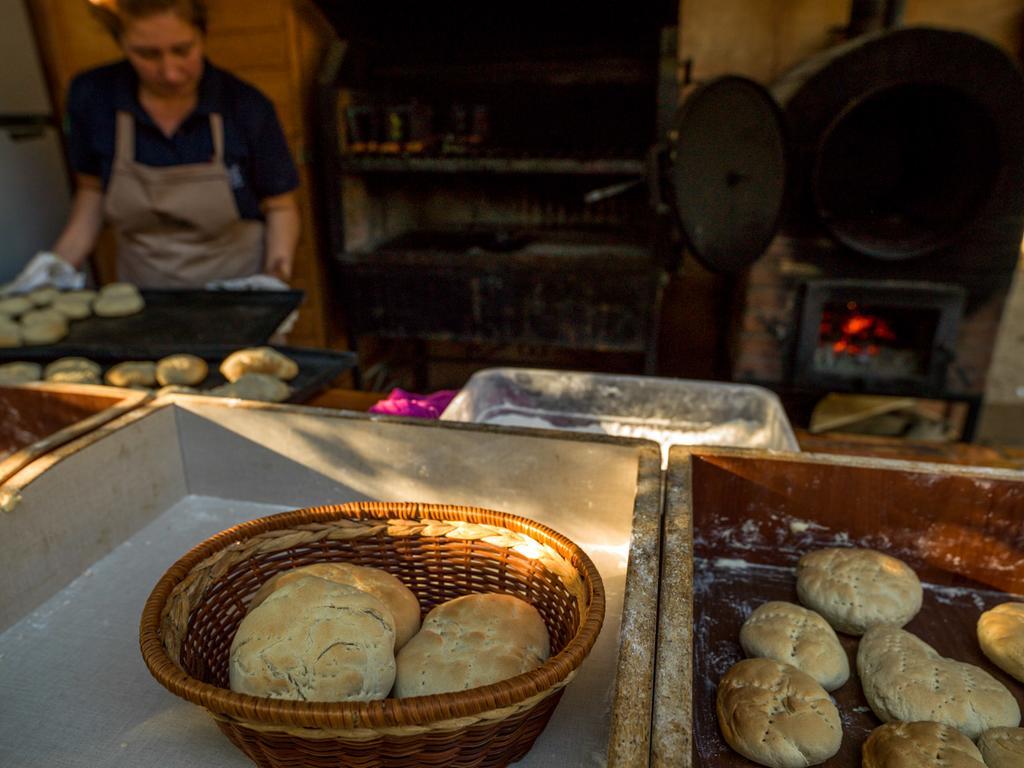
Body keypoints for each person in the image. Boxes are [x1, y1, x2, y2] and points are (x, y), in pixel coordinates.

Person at [33, 0, 301, 289]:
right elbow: (92, 190)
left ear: (203, 35)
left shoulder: (245, 105)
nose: (170, 72)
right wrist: (57, 267)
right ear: (120, 43)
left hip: (237, 286)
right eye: (147, 54)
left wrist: (275, 276)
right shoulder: (93, 96)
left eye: (183, 50)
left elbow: (280, 207)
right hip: (144, 294)